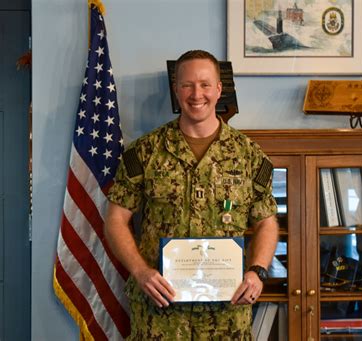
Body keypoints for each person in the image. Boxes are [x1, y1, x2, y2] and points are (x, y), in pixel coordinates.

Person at [104, 49, 279, 340]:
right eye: (187, 85)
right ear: (176, 90)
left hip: (226, 314)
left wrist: (257, 272)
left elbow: (266, 222)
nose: (196, 93)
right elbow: (115, 220)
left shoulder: (248, 155)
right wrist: (140, 272)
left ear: (219, 89)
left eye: (205, 84)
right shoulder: (145, 152)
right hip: (160, 313)